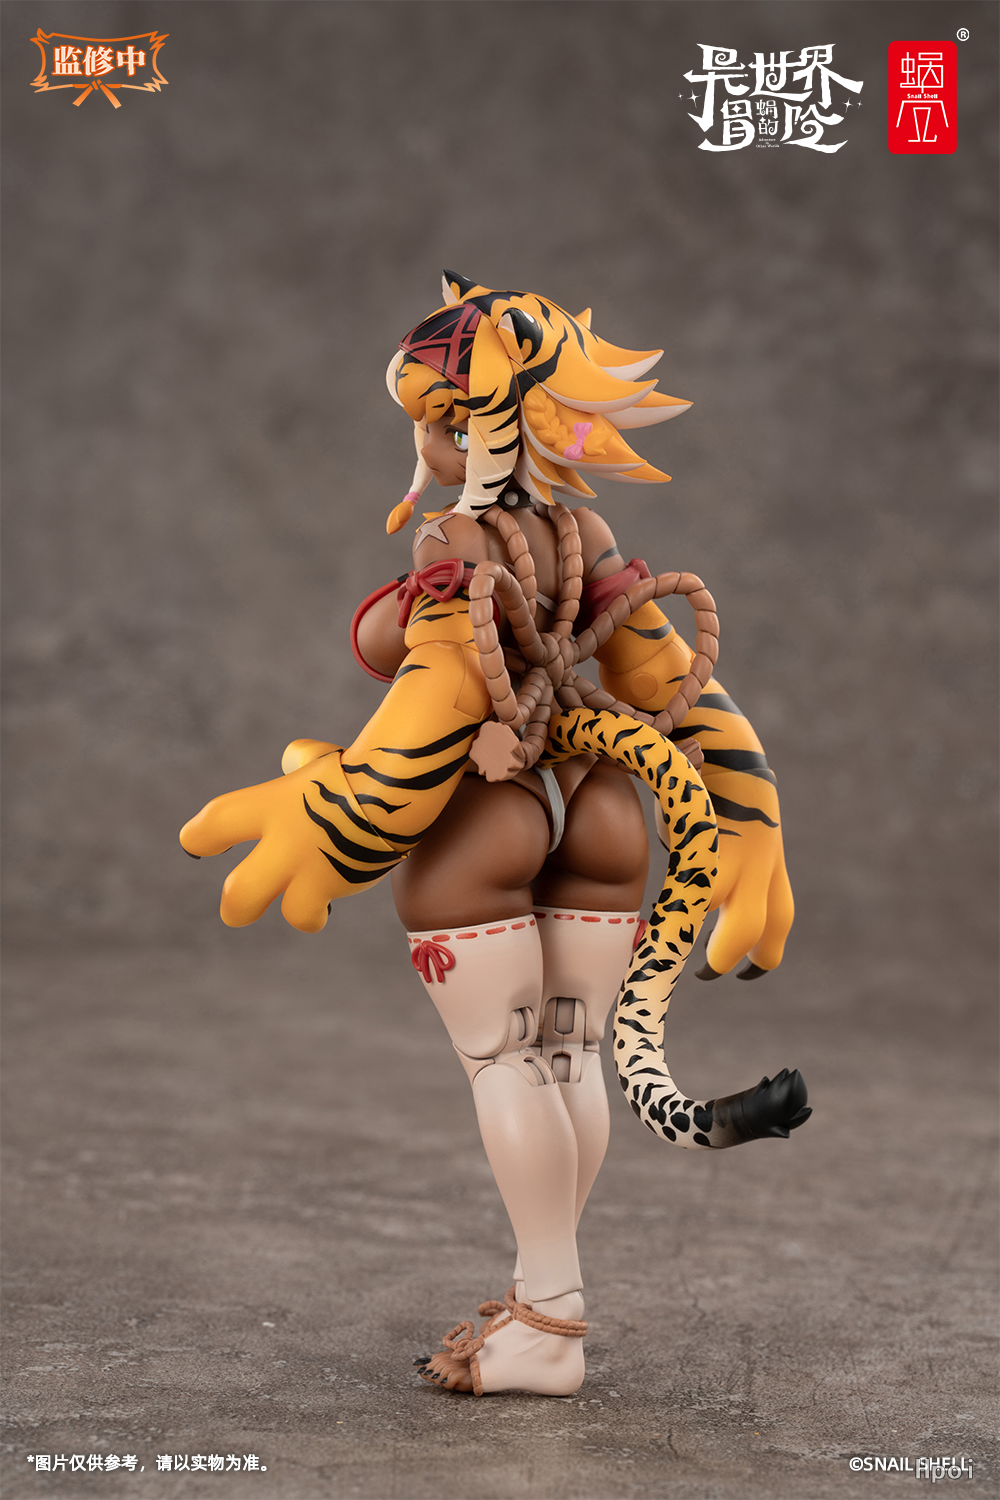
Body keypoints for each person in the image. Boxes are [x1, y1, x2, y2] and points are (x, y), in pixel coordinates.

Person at [181, 273, 804, 1397]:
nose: (423, 438)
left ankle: (549, 1320)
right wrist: (750, 819)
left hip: (489, 814)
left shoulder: (458, 541)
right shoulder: (584, 534)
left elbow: (438, 696)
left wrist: (340, 810)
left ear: (480, 422)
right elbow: (675, 682)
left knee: (507, 1062)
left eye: (437, 413)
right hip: (604, 802)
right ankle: (540, 1300)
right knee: (570, 1057)